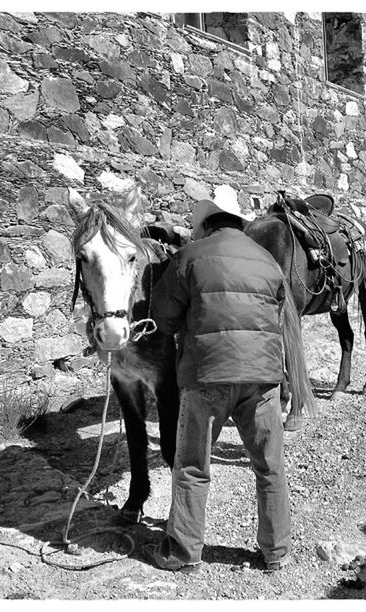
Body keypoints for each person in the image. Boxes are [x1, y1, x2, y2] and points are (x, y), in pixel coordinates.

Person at [144, 193, 293, 574]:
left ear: (207, 223)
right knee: (269, 466)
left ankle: (183, 552)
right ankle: (275, 552)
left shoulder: (189, 257)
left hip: (206, 376)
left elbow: (162, 316)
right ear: (240, 223)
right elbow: (277, 315)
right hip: (262, 379)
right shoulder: (267, 260)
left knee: (192, 465)